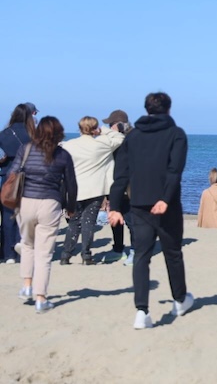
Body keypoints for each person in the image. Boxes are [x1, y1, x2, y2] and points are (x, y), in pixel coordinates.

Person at [108, 92, 193, 330]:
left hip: (139, 204)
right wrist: (165, 199)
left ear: (147, 109)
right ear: (168, 109)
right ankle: (180, 300)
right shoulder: (176, 134)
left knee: (142, 256)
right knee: (172, 253)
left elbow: (120, 176)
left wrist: (114, 207)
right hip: (166, 205)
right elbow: (174, 171)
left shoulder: (132, 137)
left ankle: (141, 312)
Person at [10, 116, 77, 313]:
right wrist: (70, 207)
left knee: (28, 244)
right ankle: (41, 298)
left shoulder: (26, 149)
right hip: (50, 203)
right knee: (44, 253)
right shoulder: (63, 155)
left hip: (27, 201)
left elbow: (14, 173)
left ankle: (27, 285)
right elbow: (72, 185)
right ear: (59, 133)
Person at [60, 116, 125, 265]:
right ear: (95, 128)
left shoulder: (70, 145)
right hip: (95, 188)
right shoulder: (103, 143)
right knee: (89, 222)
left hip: (75, 188)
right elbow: (120, 137)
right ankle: (86, 255)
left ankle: (66, 254)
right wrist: (104, 130)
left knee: (74, 222)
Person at [0, 104, 35, 263]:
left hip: (8, 176)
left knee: (8, 215)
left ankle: (9, 254)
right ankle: (22, 248)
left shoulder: (4, 134)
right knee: (25, 215)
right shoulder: (33, 134)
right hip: (29, 177)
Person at [102, 109, 136, 265]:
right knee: (115, 217)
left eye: (111, 124)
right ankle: (118, 249)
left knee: (131, 219)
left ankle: (135, 251)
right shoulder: (114, 139)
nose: (109, 127)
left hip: (129, 186)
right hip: (115, 183)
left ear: (119, 125)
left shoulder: (130, 139)